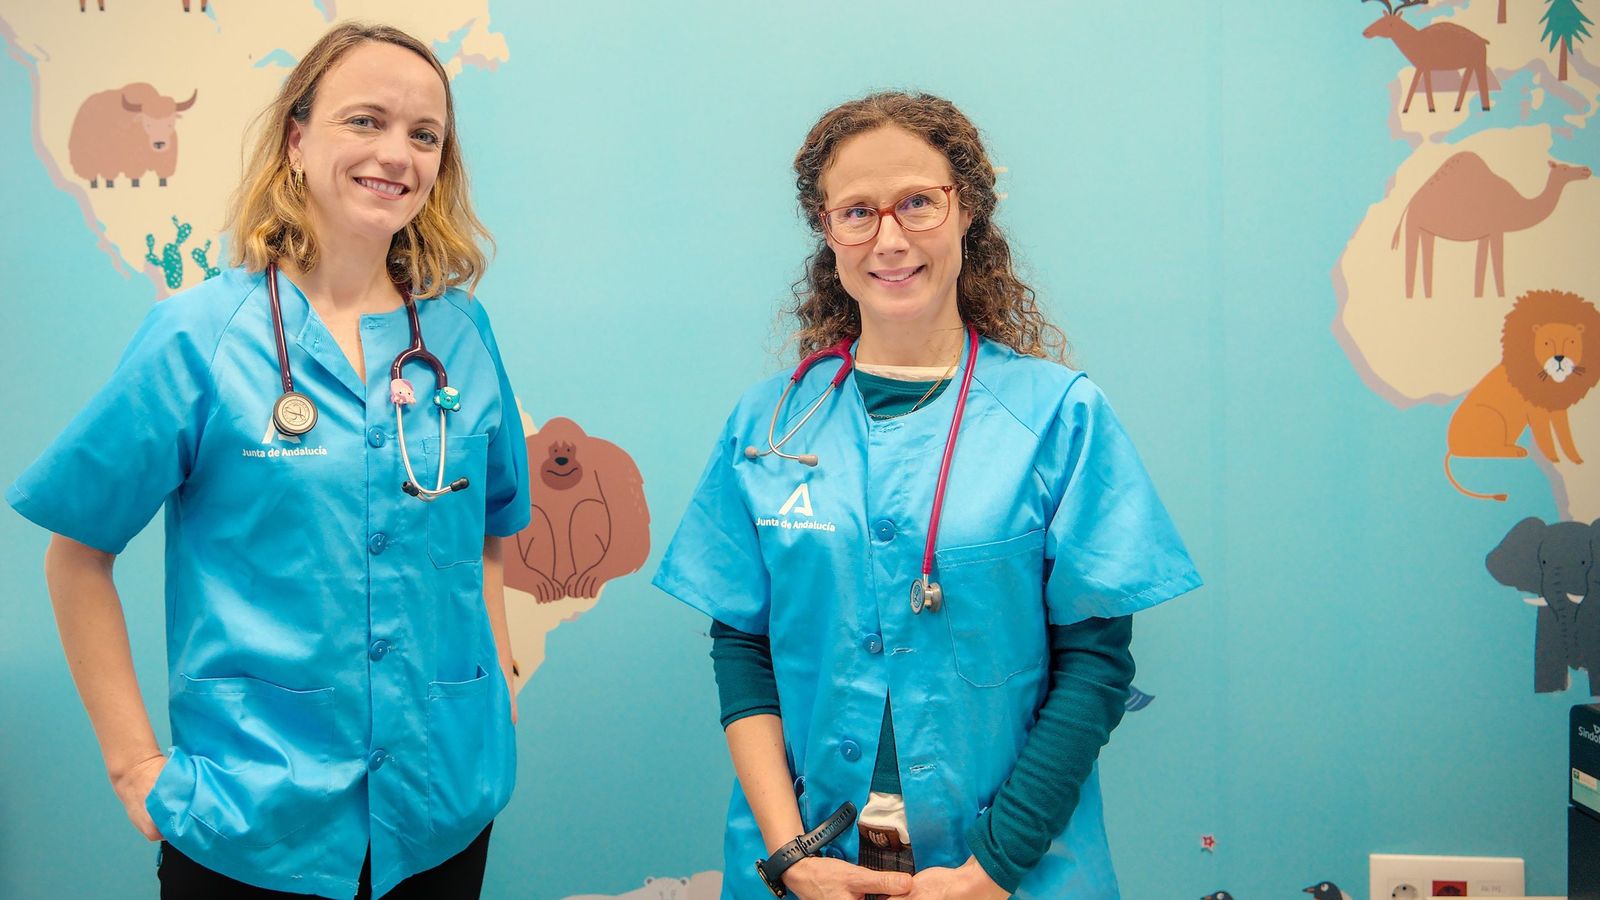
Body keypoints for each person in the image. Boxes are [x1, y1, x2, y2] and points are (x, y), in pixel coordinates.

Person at [6, 23, 529, 900]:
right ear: (297, 139)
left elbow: (484, 525)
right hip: (253, 823)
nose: (395, 153)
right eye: (364, 121)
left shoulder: (460, 335)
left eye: (423, 134)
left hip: (441, 812)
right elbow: (76, 551)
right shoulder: (200, 336)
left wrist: (498, 679)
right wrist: (135, 763)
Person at [653, 92, 1202, 899]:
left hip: (1008, 866)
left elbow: (1094, 666)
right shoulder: (768, 424)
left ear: (967, 208)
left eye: (918, 201)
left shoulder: (1058, 417)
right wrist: (789, 854)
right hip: (809, 858)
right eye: (857, 211)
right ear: (825, 227)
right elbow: (742, 647)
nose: (890, 238)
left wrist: (991, 870)